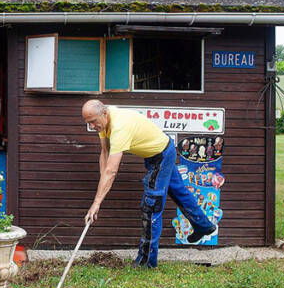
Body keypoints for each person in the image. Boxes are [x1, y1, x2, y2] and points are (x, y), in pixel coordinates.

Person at [81, 100, 217, 268]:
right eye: (88, 123)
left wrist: (96, 202)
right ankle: (203, 225)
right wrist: (103, 183)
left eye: (93, 121)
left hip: (161, 155)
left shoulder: (119, 127)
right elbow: (105, 152)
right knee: (179, 191)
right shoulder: (103, 121)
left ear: (104, 114)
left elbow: (112, 170)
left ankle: (147, 261)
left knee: (151, 205)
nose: (92, 126)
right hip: (159, 151)